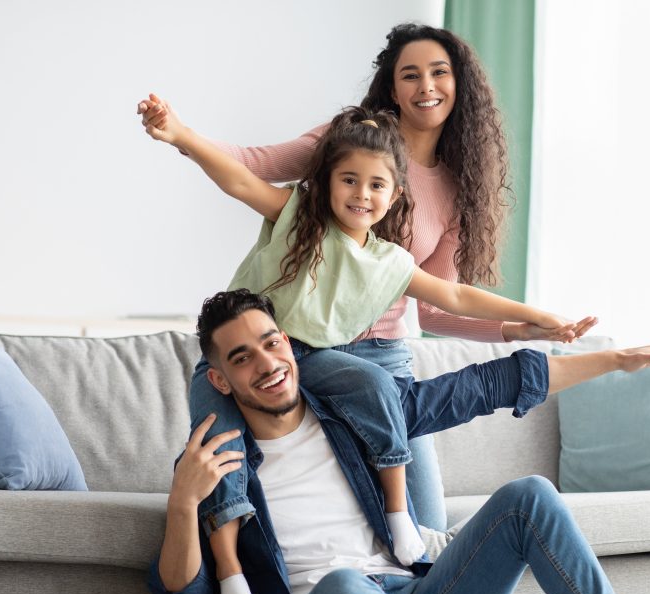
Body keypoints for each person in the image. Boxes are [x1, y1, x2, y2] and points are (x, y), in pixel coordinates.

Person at [138, 102, 595, 594]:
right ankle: (231, 571)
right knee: (219, 450)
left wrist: (535, 316)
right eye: (349, 180)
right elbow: (240, 182)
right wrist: (181, 136)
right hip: (247, 362)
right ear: (327, 183)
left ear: (395, 194)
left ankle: (400, 515)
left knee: (378, 384)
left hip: (312, 362)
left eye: (376, 185)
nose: (361, 194)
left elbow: (454, 294)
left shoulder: (390, 262)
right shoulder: (295, 219)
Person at [149, 288, 650, 594]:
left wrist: (612, 360)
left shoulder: (357, 416)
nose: (267, 364)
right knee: (344, 588)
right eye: (243, 358)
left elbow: (484, 385)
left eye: (272, 344)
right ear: (220, 380)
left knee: (530, 497)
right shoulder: (216, 463)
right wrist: (182, 502)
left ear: (293, 347)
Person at [138, 23, 564, 534]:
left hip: (383, 359)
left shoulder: (456, 188)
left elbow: (438, 305)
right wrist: (179, 134)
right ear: (392, 87)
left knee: (425, 526)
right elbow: (251, 170)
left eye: (438, 73)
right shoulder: (347, 142)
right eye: (411, 75)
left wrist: (520, 328)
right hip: (304, 348)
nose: (426, 86)